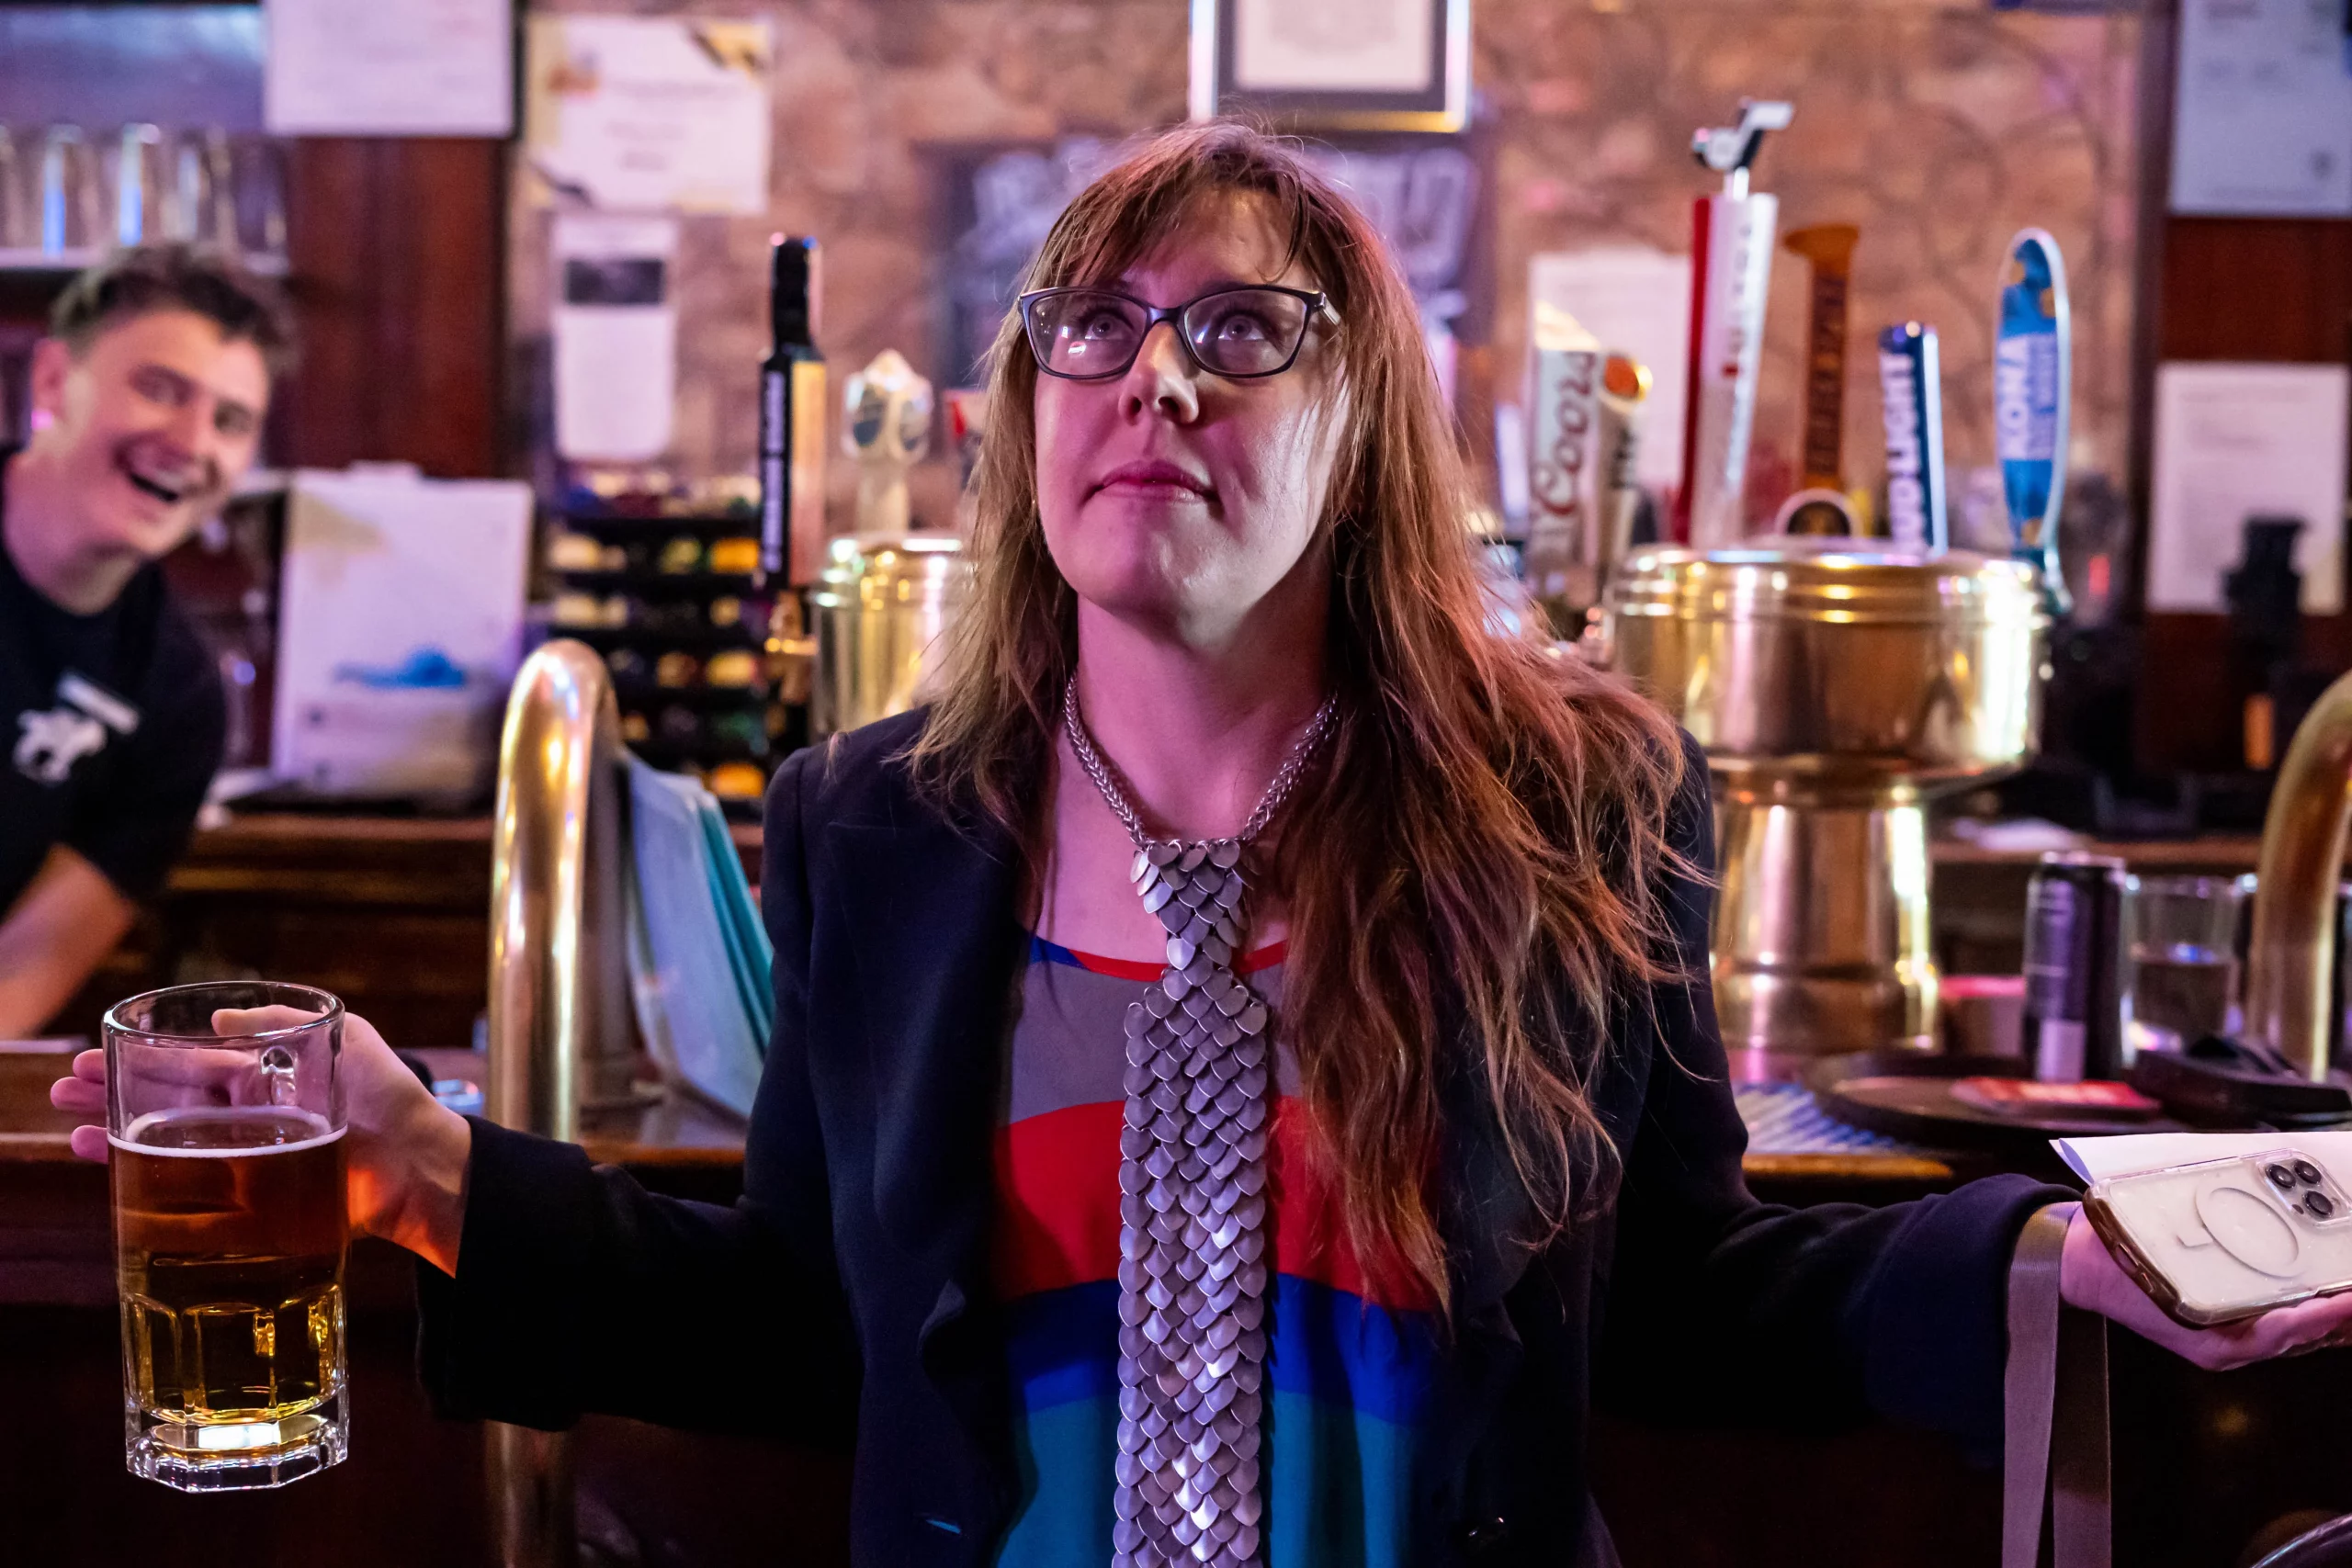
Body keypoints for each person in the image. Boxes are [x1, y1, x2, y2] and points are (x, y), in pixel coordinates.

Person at [53, 126, 2352, 1565]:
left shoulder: (1581, 807)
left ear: (1366, 431)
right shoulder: (880, 822)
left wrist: (2040, 1262)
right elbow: (803, 1323)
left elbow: (1672, 1294)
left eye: (1243, 333)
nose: (1152, 379)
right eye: (1092, 326)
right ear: (1024, 418)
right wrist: (426, 1160)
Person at [2, 244, 288, 1035]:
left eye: (231, 422)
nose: (194, 444)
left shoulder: (178, 699)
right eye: (160, 390)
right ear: (55, 382)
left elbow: (21, 968)